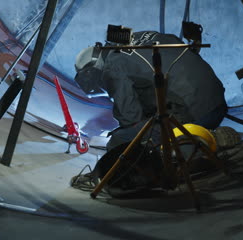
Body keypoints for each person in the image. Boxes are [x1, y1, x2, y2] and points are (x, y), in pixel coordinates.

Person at [74, 31, 227, 153]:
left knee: (120, 141)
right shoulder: (138, 36)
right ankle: (201, 135)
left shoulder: (112, 66)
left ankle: (200, 141)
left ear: (94, 69)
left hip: (197, 114)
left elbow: (130, 117)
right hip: (218, 103)